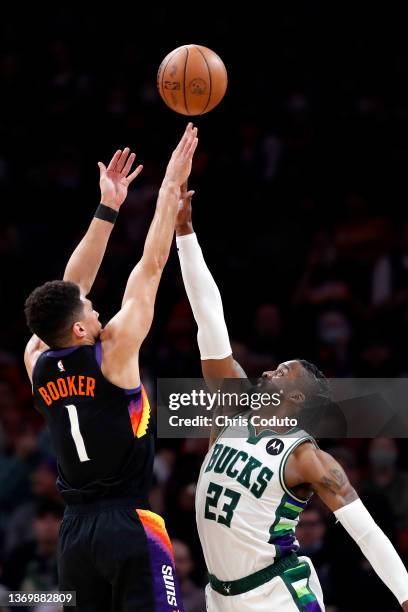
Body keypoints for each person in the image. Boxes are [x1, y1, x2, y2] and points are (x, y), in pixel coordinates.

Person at [175, 190, 408, 611]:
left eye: (281, 372)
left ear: (297, 396)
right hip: (219, 597)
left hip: (277, 595)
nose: (266, 372)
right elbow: (209, 319)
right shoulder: (233, 407)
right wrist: (185, 233)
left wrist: (407, 595)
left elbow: (366, 531)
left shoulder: (304, 456)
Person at [23, 123, 198, 611]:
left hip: (74, 535)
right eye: (90, 312)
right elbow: (152, 264)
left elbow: (68, 290)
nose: (97, 310)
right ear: (80, 330)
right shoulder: (114, 352)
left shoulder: (36, 358)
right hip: (130, 523)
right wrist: (169, 187)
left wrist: (109, 208)